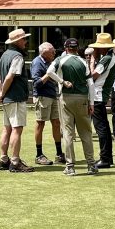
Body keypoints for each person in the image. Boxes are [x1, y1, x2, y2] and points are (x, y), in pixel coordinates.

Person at [46, 38, 96, 176]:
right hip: (83, 99)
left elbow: (49, 72)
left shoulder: (60, 60)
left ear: (65, 48)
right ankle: (91, 165)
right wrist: (92, 103)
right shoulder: (83, 62)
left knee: (68, 133)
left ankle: (70, 166)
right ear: (77, 48)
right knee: (86, 133)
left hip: (66, 98)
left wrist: (62, 81)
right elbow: (91, 84)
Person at [0, 28, 34, 173]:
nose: (26, 41)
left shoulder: (5, 55)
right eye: (24, 39)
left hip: (7, 99)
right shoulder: (17, 56)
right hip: (16, 97)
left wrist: (0, 94)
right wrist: (3, 93)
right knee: (17, 130)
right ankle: (15, 161)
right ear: (17, 41)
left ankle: (3, 159)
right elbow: (10, 77)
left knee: (6, 129)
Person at [30, 42, 66, 165]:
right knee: (40, 124)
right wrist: (49, 74)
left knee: (56, 123)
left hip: (53, 95)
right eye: (52, 51)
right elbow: (36, 84)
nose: (54, 53)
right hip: (42, 97)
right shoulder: (37, 63)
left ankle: (59, 154)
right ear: (44, 52)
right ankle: (39, 155)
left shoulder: (50, 62)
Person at [88, 33, 115, 168]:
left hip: (98, 96)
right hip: (101, 95)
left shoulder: (106, 58)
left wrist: (91, 62)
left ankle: (105, 158)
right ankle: (107, 157)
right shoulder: (110, 57)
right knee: (104, 128)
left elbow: (93, 76)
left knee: (101, 129)